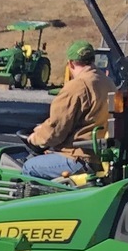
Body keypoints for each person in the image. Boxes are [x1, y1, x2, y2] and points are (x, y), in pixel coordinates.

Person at [22, 41, 111, 180]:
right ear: (93, 60)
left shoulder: (77, 87)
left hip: (80, 157)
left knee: (29, 166)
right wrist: (42, 128)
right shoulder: (107, 82)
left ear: (70, 64)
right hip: (99, 155)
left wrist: (35, 138)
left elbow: (57, 129)